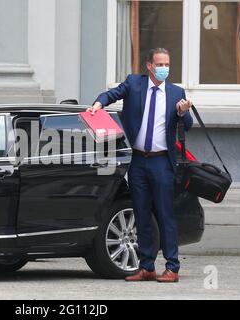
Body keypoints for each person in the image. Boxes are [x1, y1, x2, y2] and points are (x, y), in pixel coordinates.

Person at [87, 48, 193, 283]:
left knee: (165, 215)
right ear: (149, 66)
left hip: (162, 161)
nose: (164, 68)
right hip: (138, 162)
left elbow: (188, 124)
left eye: (167, 63)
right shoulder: (135, 84)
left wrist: (183, 112)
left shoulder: (176, 92)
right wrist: (98, 104)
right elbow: (112, 94)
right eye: (160, 64)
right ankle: (146, 267)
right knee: (141, 214)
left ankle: (172, 267)